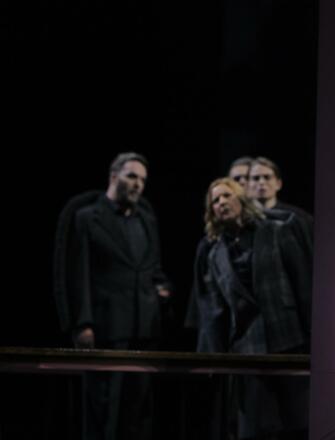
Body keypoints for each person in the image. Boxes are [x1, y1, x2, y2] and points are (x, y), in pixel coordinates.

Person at [54, 152, 171, 440]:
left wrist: (162, 288)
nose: (138, 184)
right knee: (104, 408)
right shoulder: (87, 217)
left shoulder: (146, 218)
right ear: (113, 176)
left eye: (142, 179)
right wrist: (82, 323)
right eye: (131, 176)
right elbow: (77, 273)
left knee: (138, 410)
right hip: (106, 326)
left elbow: (152, 265)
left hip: (144, 328)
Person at [186, 177, 311, 440]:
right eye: (215, 200)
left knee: (297, 422)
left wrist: (314, 336)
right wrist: (212, 358)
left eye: (226, 196)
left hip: (287, 338)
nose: (221, 202)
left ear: (241, 199)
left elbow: (303, 284)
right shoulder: (214, 254)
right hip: (247, 347)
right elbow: (214, 311)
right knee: (255, 429)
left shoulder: (276, 230)